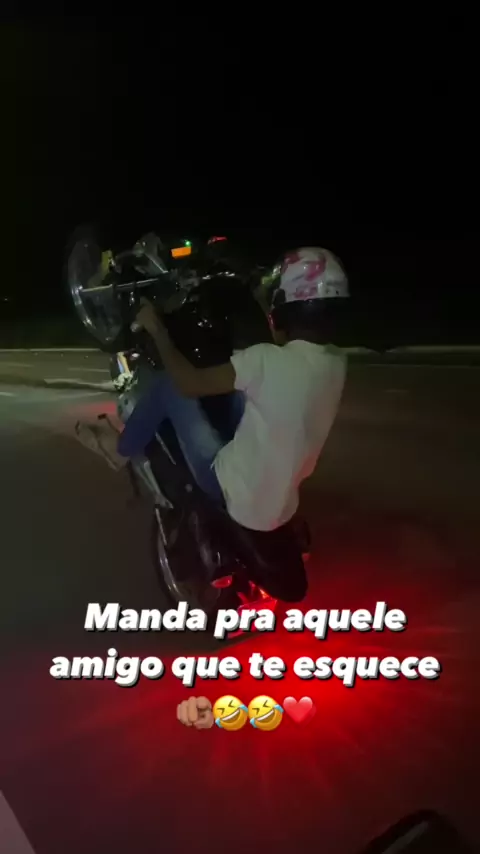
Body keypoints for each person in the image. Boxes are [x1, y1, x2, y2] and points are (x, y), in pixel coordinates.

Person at [75, 247, 349, 533]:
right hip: (283, 501)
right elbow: (277, 364)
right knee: (242, 392)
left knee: (169, 386)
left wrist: (157, 330)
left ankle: (121, 450)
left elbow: (189, 384)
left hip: (231, 488)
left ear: (284, 304)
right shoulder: (336, 362)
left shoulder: (265, 361)